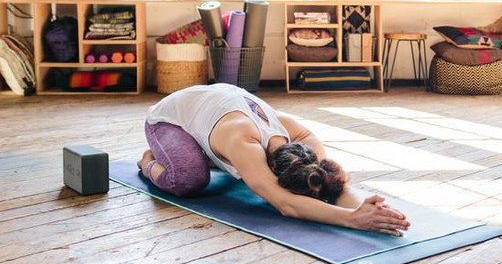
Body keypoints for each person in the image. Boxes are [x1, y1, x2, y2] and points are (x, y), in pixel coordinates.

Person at [138, 83, 410, 236]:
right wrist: (353, 219)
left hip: (214, 106)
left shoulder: (299, 134)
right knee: (189, 179)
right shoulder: (243, 142)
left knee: (240, 171)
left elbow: (330, 181)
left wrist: (369, 209)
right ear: (271, 167)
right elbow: (285, 203)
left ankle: (208, 152)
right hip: (170, 118)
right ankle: (149, 161)